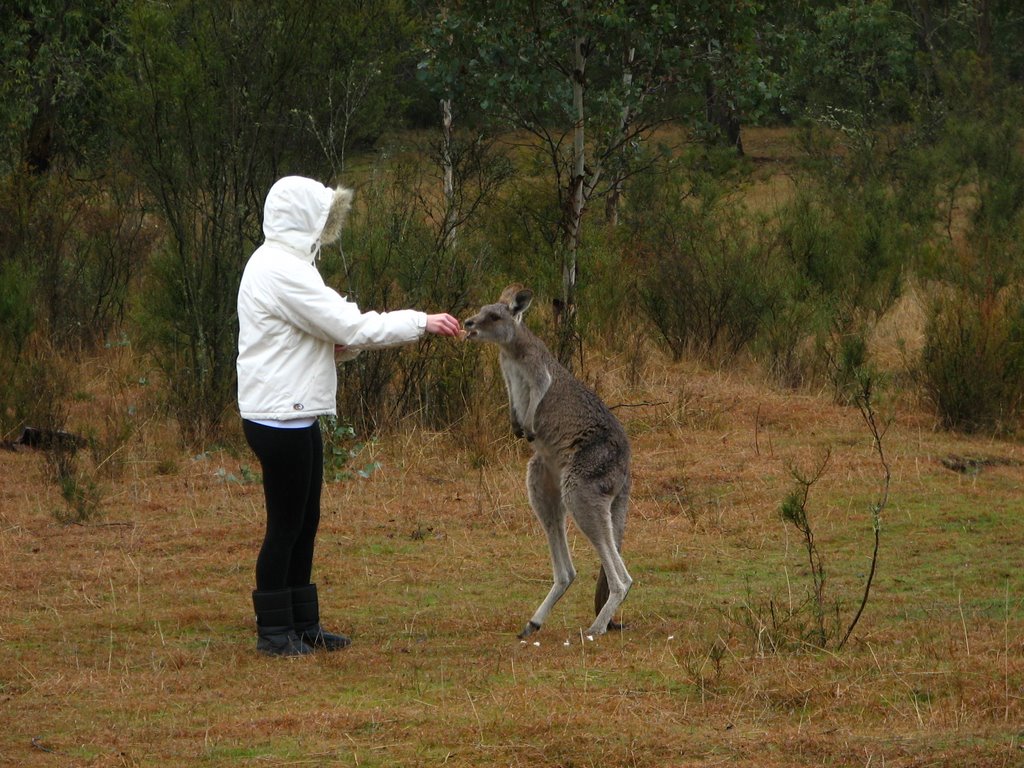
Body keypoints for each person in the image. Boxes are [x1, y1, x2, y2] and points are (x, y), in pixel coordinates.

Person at [236, 175, 461, 656]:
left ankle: (302, 625)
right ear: (300, 219)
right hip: (279, 418)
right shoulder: (281, 270)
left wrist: (345, 342)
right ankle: (275, 634)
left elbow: (331, 334)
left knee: (305, 520)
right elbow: (351, 325)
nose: (325, 231)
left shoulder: (288, 264)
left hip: (295, 413)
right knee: (285, 526)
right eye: (321, 220)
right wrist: (421, 321)